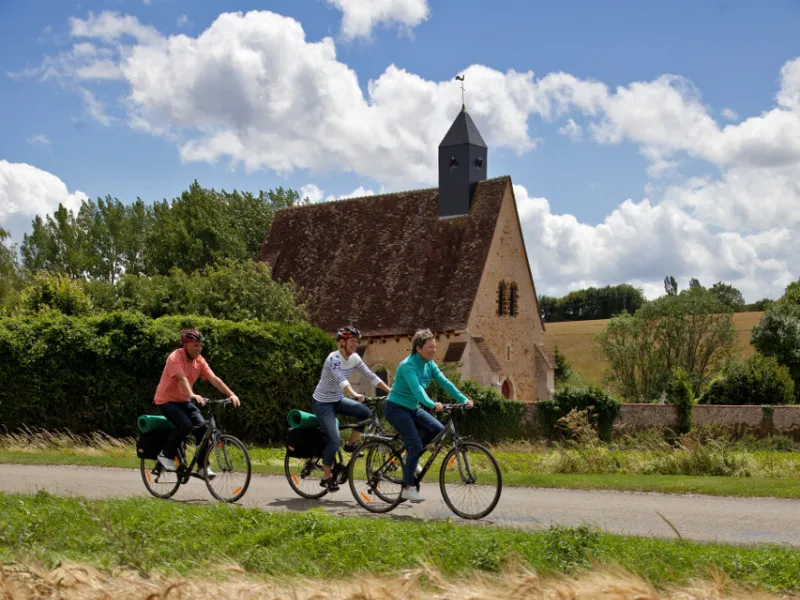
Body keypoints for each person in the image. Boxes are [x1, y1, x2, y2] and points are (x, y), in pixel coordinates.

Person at [384, 329, 473, 503]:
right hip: (396, 408)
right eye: (430, 347)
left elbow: (445, 382)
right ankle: (407, 488)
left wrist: (463, 399)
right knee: (416, 443)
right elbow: (417, 390)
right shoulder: (407, 365)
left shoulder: (430, 365)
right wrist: (432, 404)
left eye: (434, 346)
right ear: (418, 348)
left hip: (411, 408)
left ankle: (410, 455)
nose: (434, 350)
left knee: (438, 430)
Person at [313, 326, 391, 492]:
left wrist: (391, 391)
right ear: (343, 342)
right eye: (353, 340)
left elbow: (370, 375)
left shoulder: (354, 358)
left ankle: (351, 444)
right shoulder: (333, 358)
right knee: (334, 439)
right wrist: (354, 393)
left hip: (337, 399)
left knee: (364, 412)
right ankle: (326, 476)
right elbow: (341, 379)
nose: (356, 344)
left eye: (357, 341)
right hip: (322, 403)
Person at [154, 329, 241, 477]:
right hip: (166, 400)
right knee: (185, 425)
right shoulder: (175, 357)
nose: (199, 348)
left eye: (201, 345)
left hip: (184, 401)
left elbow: (214, 379)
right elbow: (182, 379)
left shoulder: (199, 360)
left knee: (203, 428)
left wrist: (231, 394)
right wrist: (192, 394)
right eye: (195, 345)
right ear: (185, 344)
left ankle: (202, 467)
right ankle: (165, 455)